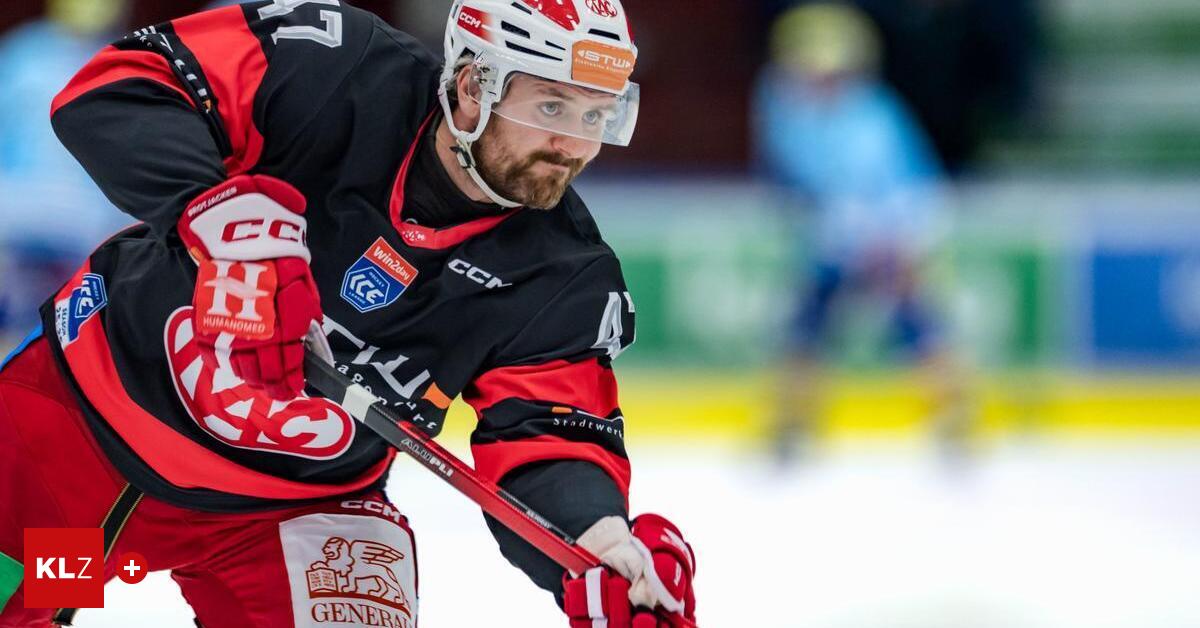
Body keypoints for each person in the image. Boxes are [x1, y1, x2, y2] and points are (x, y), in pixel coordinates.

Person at [0, 1, 698, 626]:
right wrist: (218, 216)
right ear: (472, 86)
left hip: (297, 513)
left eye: (596, 115)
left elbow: (550, 443)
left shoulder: (567, 275)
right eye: (552, 107)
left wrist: (599, 545)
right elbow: (119, 88)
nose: (575, 145)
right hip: (78, 452)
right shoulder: (336, 65)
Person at [754, 3, 971, 463]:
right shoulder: (789, 111)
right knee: (805, 331)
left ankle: (953, 418)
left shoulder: (873, 116)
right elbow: (800, 185)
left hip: (889, 242)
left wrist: (903, 245)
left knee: (919, 328)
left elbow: (911, 185)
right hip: (833, 244)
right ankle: (792, 423)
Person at [0, 0, 130, 343]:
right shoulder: (24, 54)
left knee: (66, 337)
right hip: (18, 223)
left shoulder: (125, 59)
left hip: (84, 229)